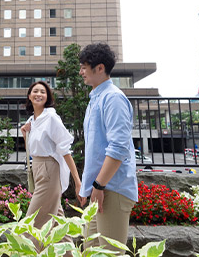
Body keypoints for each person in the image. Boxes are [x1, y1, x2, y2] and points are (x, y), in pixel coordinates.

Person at [78, 43, 138, 253]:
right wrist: (91, 186)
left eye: (85, 67)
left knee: (109, 252)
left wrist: (98, 185)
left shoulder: (113, 98)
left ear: (100, 68)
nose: (81, 71)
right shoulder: (96, 98)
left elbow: (118, 148)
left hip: (112, 189)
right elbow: (96, 149)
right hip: (101, 188)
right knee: (91, 250)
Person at [21, 81, 85, 254]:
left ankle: (25, 252)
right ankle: (69, 253)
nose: (39, 94)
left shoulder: (51, 118)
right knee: (57, 221)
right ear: (29, 96)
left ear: (47, 97)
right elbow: (33, 150)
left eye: (43, 91)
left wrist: (77, 181)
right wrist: (24, 132)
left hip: (49, 170)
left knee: (31, 222)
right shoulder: (32, 120)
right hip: (38, 169)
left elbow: (65, 149)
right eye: (35, 91)